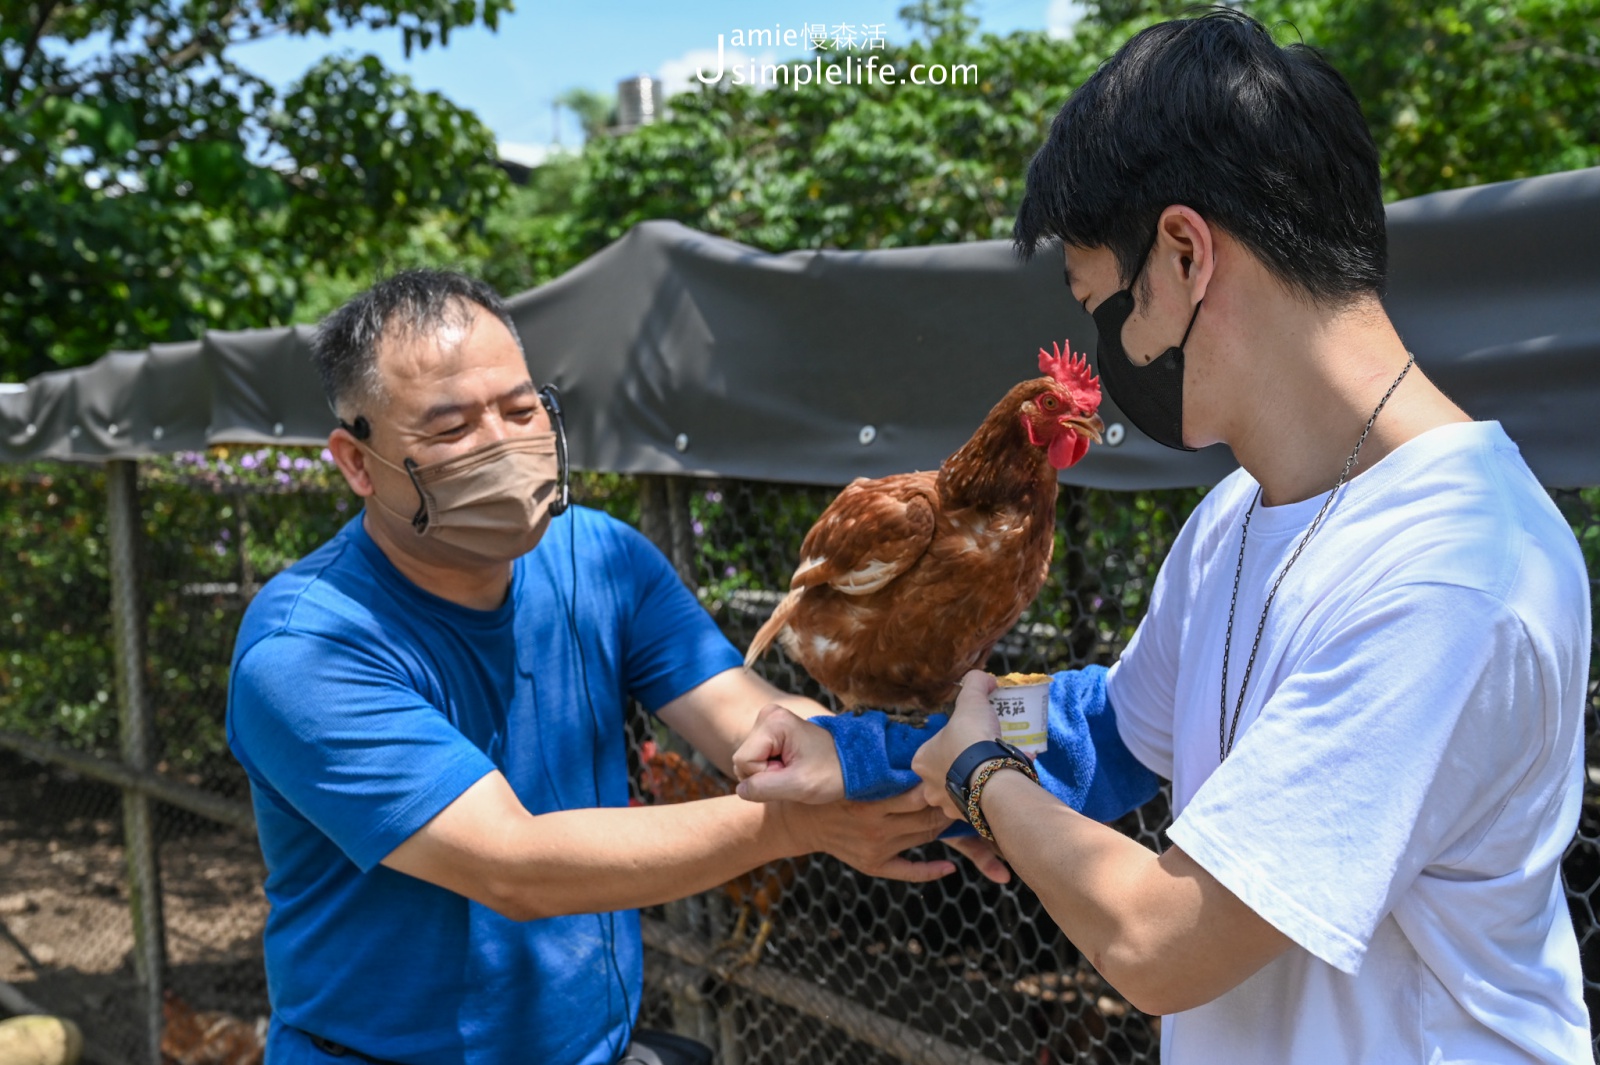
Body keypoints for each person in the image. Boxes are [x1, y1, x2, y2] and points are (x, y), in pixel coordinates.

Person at [730, 10, 1593, 1063]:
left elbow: (1162, 941)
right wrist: (860, 746)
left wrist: (976, 777)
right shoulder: (1237, 515)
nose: (1111, 354)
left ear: (1184, 254)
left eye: (1103, 306)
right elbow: (1103, 727)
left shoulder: (1453, 570)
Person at [225, 270, 973, 1065]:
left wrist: (928, 765)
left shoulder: (599, 555)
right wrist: (796, 821)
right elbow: (511, 867)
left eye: (520, 411)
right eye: (450, 429)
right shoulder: (308, 647)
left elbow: (745, 714)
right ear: (357, 462)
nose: (501, 444)